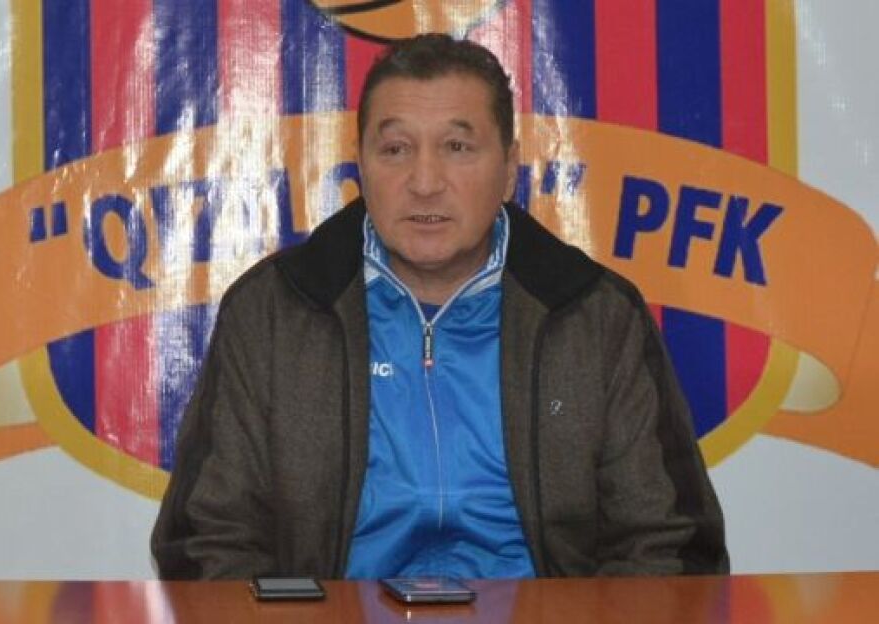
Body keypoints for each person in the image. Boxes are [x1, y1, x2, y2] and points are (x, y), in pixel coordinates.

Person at [151, 33, 728, 580]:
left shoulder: (595, 316)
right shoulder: (274, 313)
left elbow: (670, 545)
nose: (424, 182)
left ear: (509, 169)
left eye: (457, 147)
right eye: (395, 149)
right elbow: (207, 540)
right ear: (361, 166)